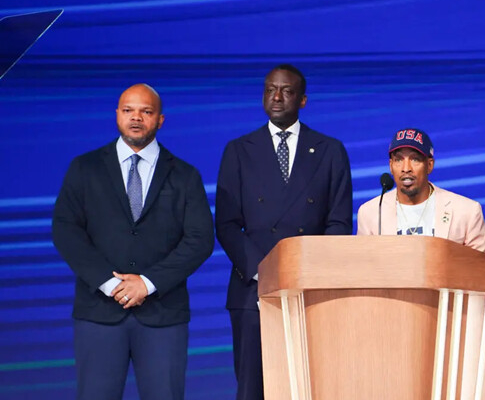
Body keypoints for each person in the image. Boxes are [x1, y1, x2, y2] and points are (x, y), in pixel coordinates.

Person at [52, 83, 215, 400]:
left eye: (146, 111)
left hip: (163, 316)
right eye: (128, 110)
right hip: (98, 313)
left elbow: (200, 240)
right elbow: (65, 230)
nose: (136, 118)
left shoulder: (185, 175)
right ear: (117, 115)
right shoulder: (84, 168)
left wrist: (148, 283)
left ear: (161, 120)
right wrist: (108, 284)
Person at [215, 64, 353, 400]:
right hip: (252, 289)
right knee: (252, 388)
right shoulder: (239, 149)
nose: (277, 97)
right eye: (270, 89)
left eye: (287, 91)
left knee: (310, 386)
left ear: (303, 100)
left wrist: (308, 272)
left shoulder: (329, 150)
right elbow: (227, 223)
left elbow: (338, 223)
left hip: (309, 290)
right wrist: (263, 272)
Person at [357, 127, 485, 251]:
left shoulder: (466, 211)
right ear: (391, 166)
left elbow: (482, 269)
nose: (406, 168)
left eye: (415, 159)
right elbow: (363, 268)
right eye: (398, 160)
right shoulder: (371, 213)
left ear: (430, 165)